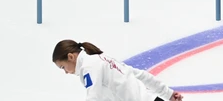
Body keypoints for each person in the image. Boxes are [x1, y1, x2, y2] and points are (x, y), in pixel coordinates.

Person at [52, 40, 184, 101]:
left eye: (63, 67)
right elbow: (141, 75)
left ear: (70, 56)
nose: (65, 72)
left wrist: (168, 94)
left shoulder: (89, 67)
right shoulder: (102, 59)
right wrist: (168, 94)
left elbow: (94, 96)